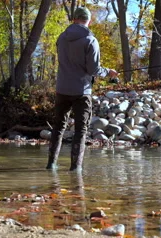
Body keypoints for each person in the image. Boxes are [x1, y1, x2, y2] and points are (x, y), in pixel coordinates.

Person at [46, 6, 118, 172]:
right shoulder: (90, 40)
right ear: (89, 21)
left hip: (62, 89)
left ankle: (51, 164)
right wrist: (109, 72)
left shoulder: (61, 38)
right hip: (81, 91)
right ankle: (75, 169)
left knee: (58, 127)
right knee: (81, 130)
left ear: (74, 19)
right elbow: (93, 69)